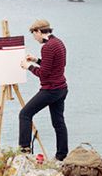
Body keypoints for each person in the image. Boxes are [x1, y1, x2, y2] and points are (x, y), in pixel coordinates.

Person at [18, 18, 68, 160]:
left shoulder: (47, 47)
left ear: (39, 31)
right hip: (61, 88)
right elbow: (55, 65)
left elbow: (44, 73)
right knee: (59, 123)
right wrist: (36, 60)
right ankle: (61, 156)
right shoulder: (58, 42)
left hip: (50, 90)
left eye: (34, 35)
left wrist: (29, 67)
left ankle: (24, 151)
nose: (35, 38)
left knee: (25, 114)